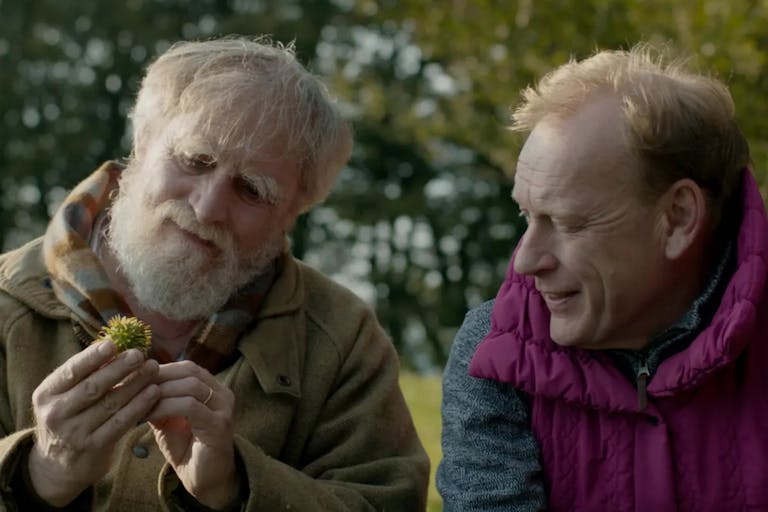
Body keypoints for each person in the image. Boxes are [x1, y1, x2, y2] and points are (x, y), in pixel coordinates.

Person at [0, 36, 429, 511]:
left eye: (251, 190)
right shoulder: (5, 303)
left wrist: (237, 488)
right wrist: (36, 473)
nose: (207, 208)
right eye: (196, 160)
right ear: (143, 140)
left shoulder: (344, 339)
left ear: (294, 212)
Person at [437, 42, 768, 511]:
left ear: (677, 217)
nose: (528, 260)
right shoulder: (493, 354)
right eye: (526, 215)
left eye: (569, 223)